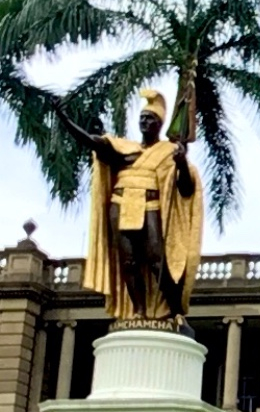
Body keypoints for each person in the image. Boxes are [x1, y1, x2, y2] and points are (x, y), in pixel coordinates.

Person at [56, 88, 203, 327]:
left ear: (160, 124)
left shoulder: (168, 152)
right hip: (121, 204)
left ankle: (175, 310)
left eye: (150, 118)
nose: (145, 122)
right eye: (142, 118)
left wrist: (182, 163)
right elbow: (91, 141)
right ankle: (139, 311)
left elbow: (185, 189)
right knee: (129, 262)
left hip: (150, 205)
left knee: (157, 261)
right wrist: (64, 119)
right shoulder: (122, 148)